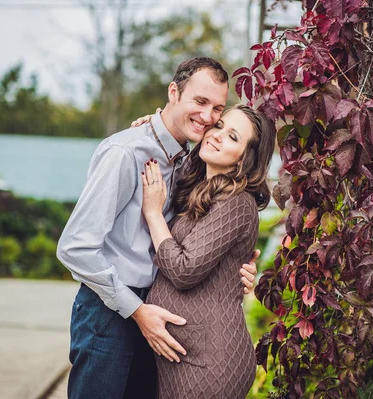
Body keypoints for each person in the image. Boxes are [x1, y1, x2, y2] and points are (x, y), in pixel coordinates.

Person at [56, 58, 258, 399]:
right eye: (200, 102)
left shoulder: (190, 160)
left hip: (156, 316)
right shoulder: (125, 153)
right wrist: (136, 311)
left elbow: (198, 237)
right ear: (174, 92)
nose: (208, 118)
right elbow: (74, 247)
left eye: (217, 109)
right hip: (111, 310)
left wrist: (235, 270)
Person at [141, 104, 276, 398]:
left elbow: (184, 269)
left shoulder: (236, 203)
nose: (216, 136)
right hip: (184, 355)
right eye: (219, 126)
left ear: (245, 158)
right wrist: (151, 127)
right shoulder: (202, 187)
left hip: (210, 362)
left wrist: (152, 213)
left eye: (232, 137)